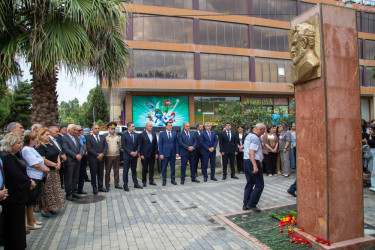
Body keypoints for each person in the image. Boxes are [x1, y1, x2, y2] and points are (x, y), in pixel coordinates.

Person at [0, 133, 35, 249]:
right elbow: (15, 176)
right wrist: (29, 182)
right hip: (13, 198)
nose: (21, 145)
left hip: (17, 197)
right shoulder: (7, 157)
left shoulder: (12, 156)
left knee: (18, 224)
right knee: (14, 226)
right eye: (18, 143)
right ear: (10, 144)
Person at [36, 129, 65, 217]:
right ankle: (45, 210)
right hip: (47, 171)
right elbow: (43, 159)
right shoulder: (40, 146)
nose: (48, 136)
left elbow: (57, 154)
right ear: (41, 136)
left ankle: (52, 207)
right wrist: (54, 164)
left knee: (54, 190)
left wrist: (58, 163)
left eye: (49, 134)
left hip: (55, 171)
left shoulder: (51, 144)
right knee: (47, 191)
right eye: (46, 134)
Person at [22, 132, 47, 229]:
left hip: (38, 176)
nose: (37, 139)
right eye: (35, 138)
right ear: (31, 140)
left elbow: (39, 160)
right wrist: (44, 169)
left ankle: (32, 219)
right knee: (30, 201)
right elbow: (34, 164)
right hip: (33, 175)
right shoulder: (26, 150)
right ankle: (30, 222)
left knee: (33, 201)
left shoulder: (31, 149)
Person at [243, 123, 266, 212]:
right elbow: (251, 152)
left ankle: (245, 204)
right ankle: (251, 204)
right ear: (260, 129)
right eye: (263, 131)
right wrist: (255, 166)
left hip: (246, 161)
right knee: (259, 184)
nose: (263, 133)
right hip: (252, 161)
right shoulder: (255, 138)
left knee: (250, 183)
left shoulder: (249, 136)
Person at [61, 124, 83, 201]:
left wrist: (80, 154)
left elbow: (80, 146)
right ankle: (69, 193)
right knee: (69, 178)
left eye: (76, 130)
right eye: (74, 130)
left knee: (75, 177)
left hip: (77, 160)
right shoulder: (64, 138)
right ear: (69, 130)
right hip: (70, 161)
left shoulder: (75, 137)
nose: (76, 131)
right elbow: (66, 149)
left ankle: (74, 192)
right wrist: (75, 155)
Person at [86, 124, 108, 195]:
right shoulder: (89, 138)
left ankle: (100, 187)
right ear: (92, 129)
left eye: (98, 128)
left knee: (101, 173)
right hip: (93, 159)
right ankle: (94, 188)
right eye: (95, 128)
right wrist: (97, 155)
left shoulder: (102, 137)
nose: (97, 130)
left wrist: (102, 154)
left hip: (101, 159)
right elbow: (89, 148)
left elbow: (106, 146)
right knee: (93, 174)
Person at [121, 122, 142, 191]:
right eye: (132, 126)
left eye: (134, 126)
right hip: (127, 156)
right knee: (126, 170)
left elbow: (139, 144)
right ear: (128, 127)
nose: (134, 127)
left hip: (134, 156)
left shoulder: (137, 135)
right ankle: (125, 184)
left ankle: (136, 183)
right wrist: (130, 152)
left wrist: (137, 152)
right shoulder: (124, 135)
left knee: (134, 170)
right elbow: (124, 146)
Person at [159, 121, 179, 186]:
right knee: (164, 167)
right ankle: (164, 180)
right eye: (169, 125)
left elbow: (176, 143)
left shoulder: (174, 133)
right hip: (165, 154)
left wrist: (177, 152)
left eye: (171, 125)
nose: (171, 126)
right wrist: (161, 153)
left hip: (173, 153)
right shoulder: (162, 134)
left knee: (172, 167)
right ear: (166, 126)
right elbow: (160, 144)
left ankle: (173, 180)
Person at [139, 122, 158, 187]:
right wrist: (141, 154)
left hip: (152, 154)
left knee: (151, 168)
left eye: (151, 126)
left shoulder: (153, 134)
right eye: (150, 126)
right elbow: (140, 145)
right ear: (146, 127)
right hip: (145, 154)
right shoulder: (142, 135)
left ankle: (151, 180)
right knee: (144, 168)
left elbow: (155, 144)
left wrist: (156, 153)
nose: (151, 127)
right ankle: (144, 181)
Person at [105, 122, 122, 190]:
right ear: (108, 129)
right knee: (108, 171)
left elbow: (120, 146)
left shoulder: (118, 137)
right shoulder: (106, 137)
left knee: (116, 170)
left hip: (116, 155)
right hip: (108, 155)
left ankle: (117, 184)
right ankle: (107, 184)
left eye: (114, 129)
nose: (113, 130)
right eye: (111, 129)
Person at [77, 126, 88, 194]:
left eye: (81, 130)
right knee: (76, 174)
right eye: (79, 130)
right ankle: (74, 190)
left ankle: (80, 189)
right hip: (76, 157)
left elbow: (84, 145)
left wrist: (85, 151)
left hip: (83, 156)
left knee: (82, 172)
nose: (81, 131)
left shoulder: (82, 137)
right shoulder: (74, 137)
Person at [367, 126, 375, 192]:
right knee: (372, 169)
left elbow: (371, 142)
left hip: (373, 152)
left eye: (371, 130)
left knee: (374, 169)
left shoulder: (371, 137)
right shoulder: (370, 136)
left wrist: (369, 140)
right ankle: (373, 185)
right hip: (371, 153)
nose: (370, 131)